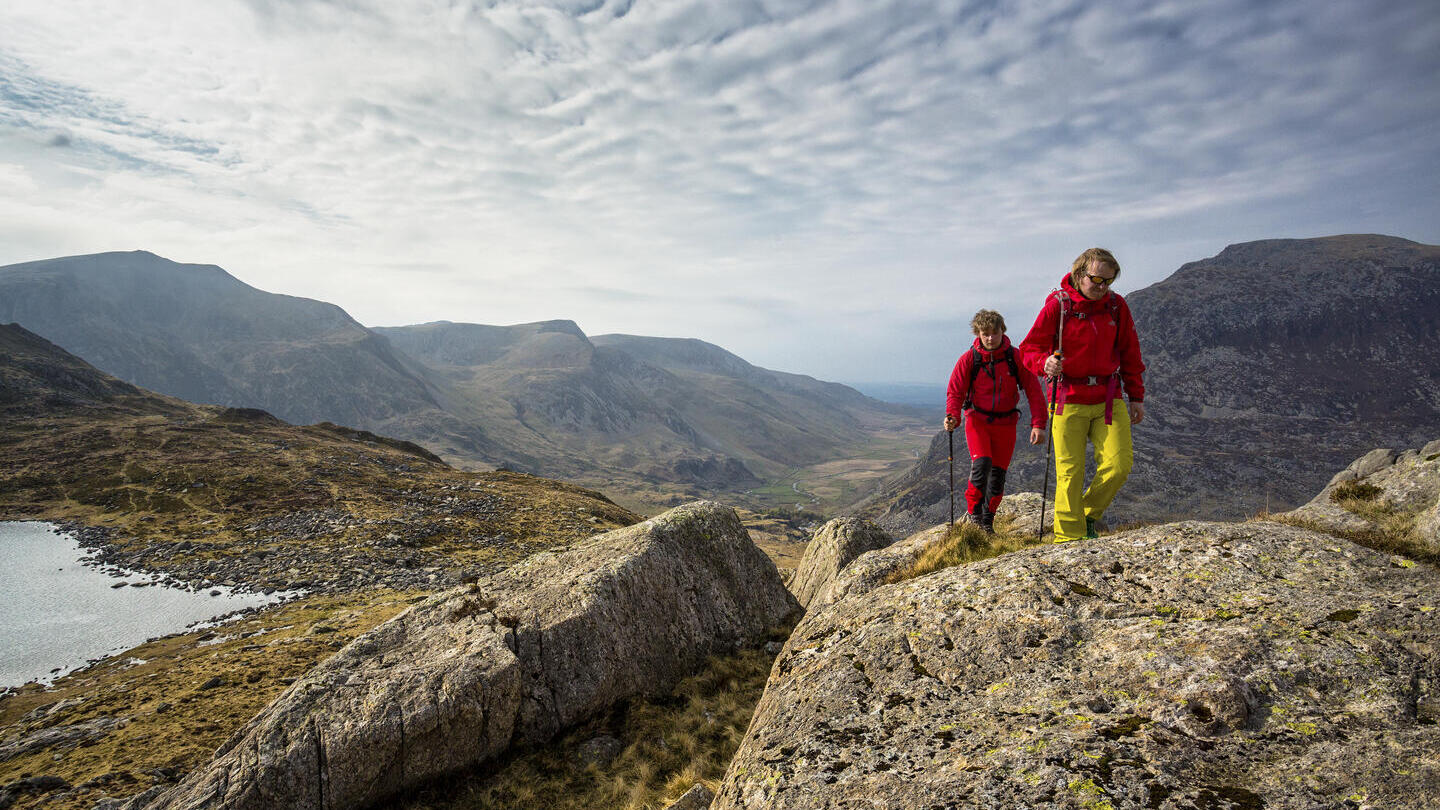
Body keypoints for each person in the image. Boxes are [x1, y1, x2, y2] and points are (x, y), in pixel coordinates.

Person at [1018, 247, 1146, 542]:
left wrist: (1136, 395)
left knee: (1119, 464)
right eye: (1096, 279)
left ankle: (1087, 513)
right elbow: (1029, 350)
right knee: (1069, 474)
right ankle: (1068, 540)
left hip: (1108, 398)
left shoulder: (1116, 306)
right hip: (1067, 398)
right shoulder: (1057, 307)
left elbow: (1130, 352)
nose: (1102, 287)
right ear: (1079, 274)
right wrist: (1044, 363)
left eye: (1108, 282)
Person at [944, 309, 1047, 531]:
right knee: (982, 466)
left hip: (1006, 424)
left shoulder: (1015, 357)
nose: (990, 338)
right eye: (985, 333)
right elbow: (955, 391)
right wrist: (952, 416)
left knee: (998, 474)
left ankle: (988, 523)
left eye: (995, 332)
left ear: (1003, 331)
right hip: (977, 421)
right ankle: (974, 517)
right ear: (978, 334)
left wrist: (1039, 424)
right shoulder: (969, 359)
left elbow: (1034, 391)